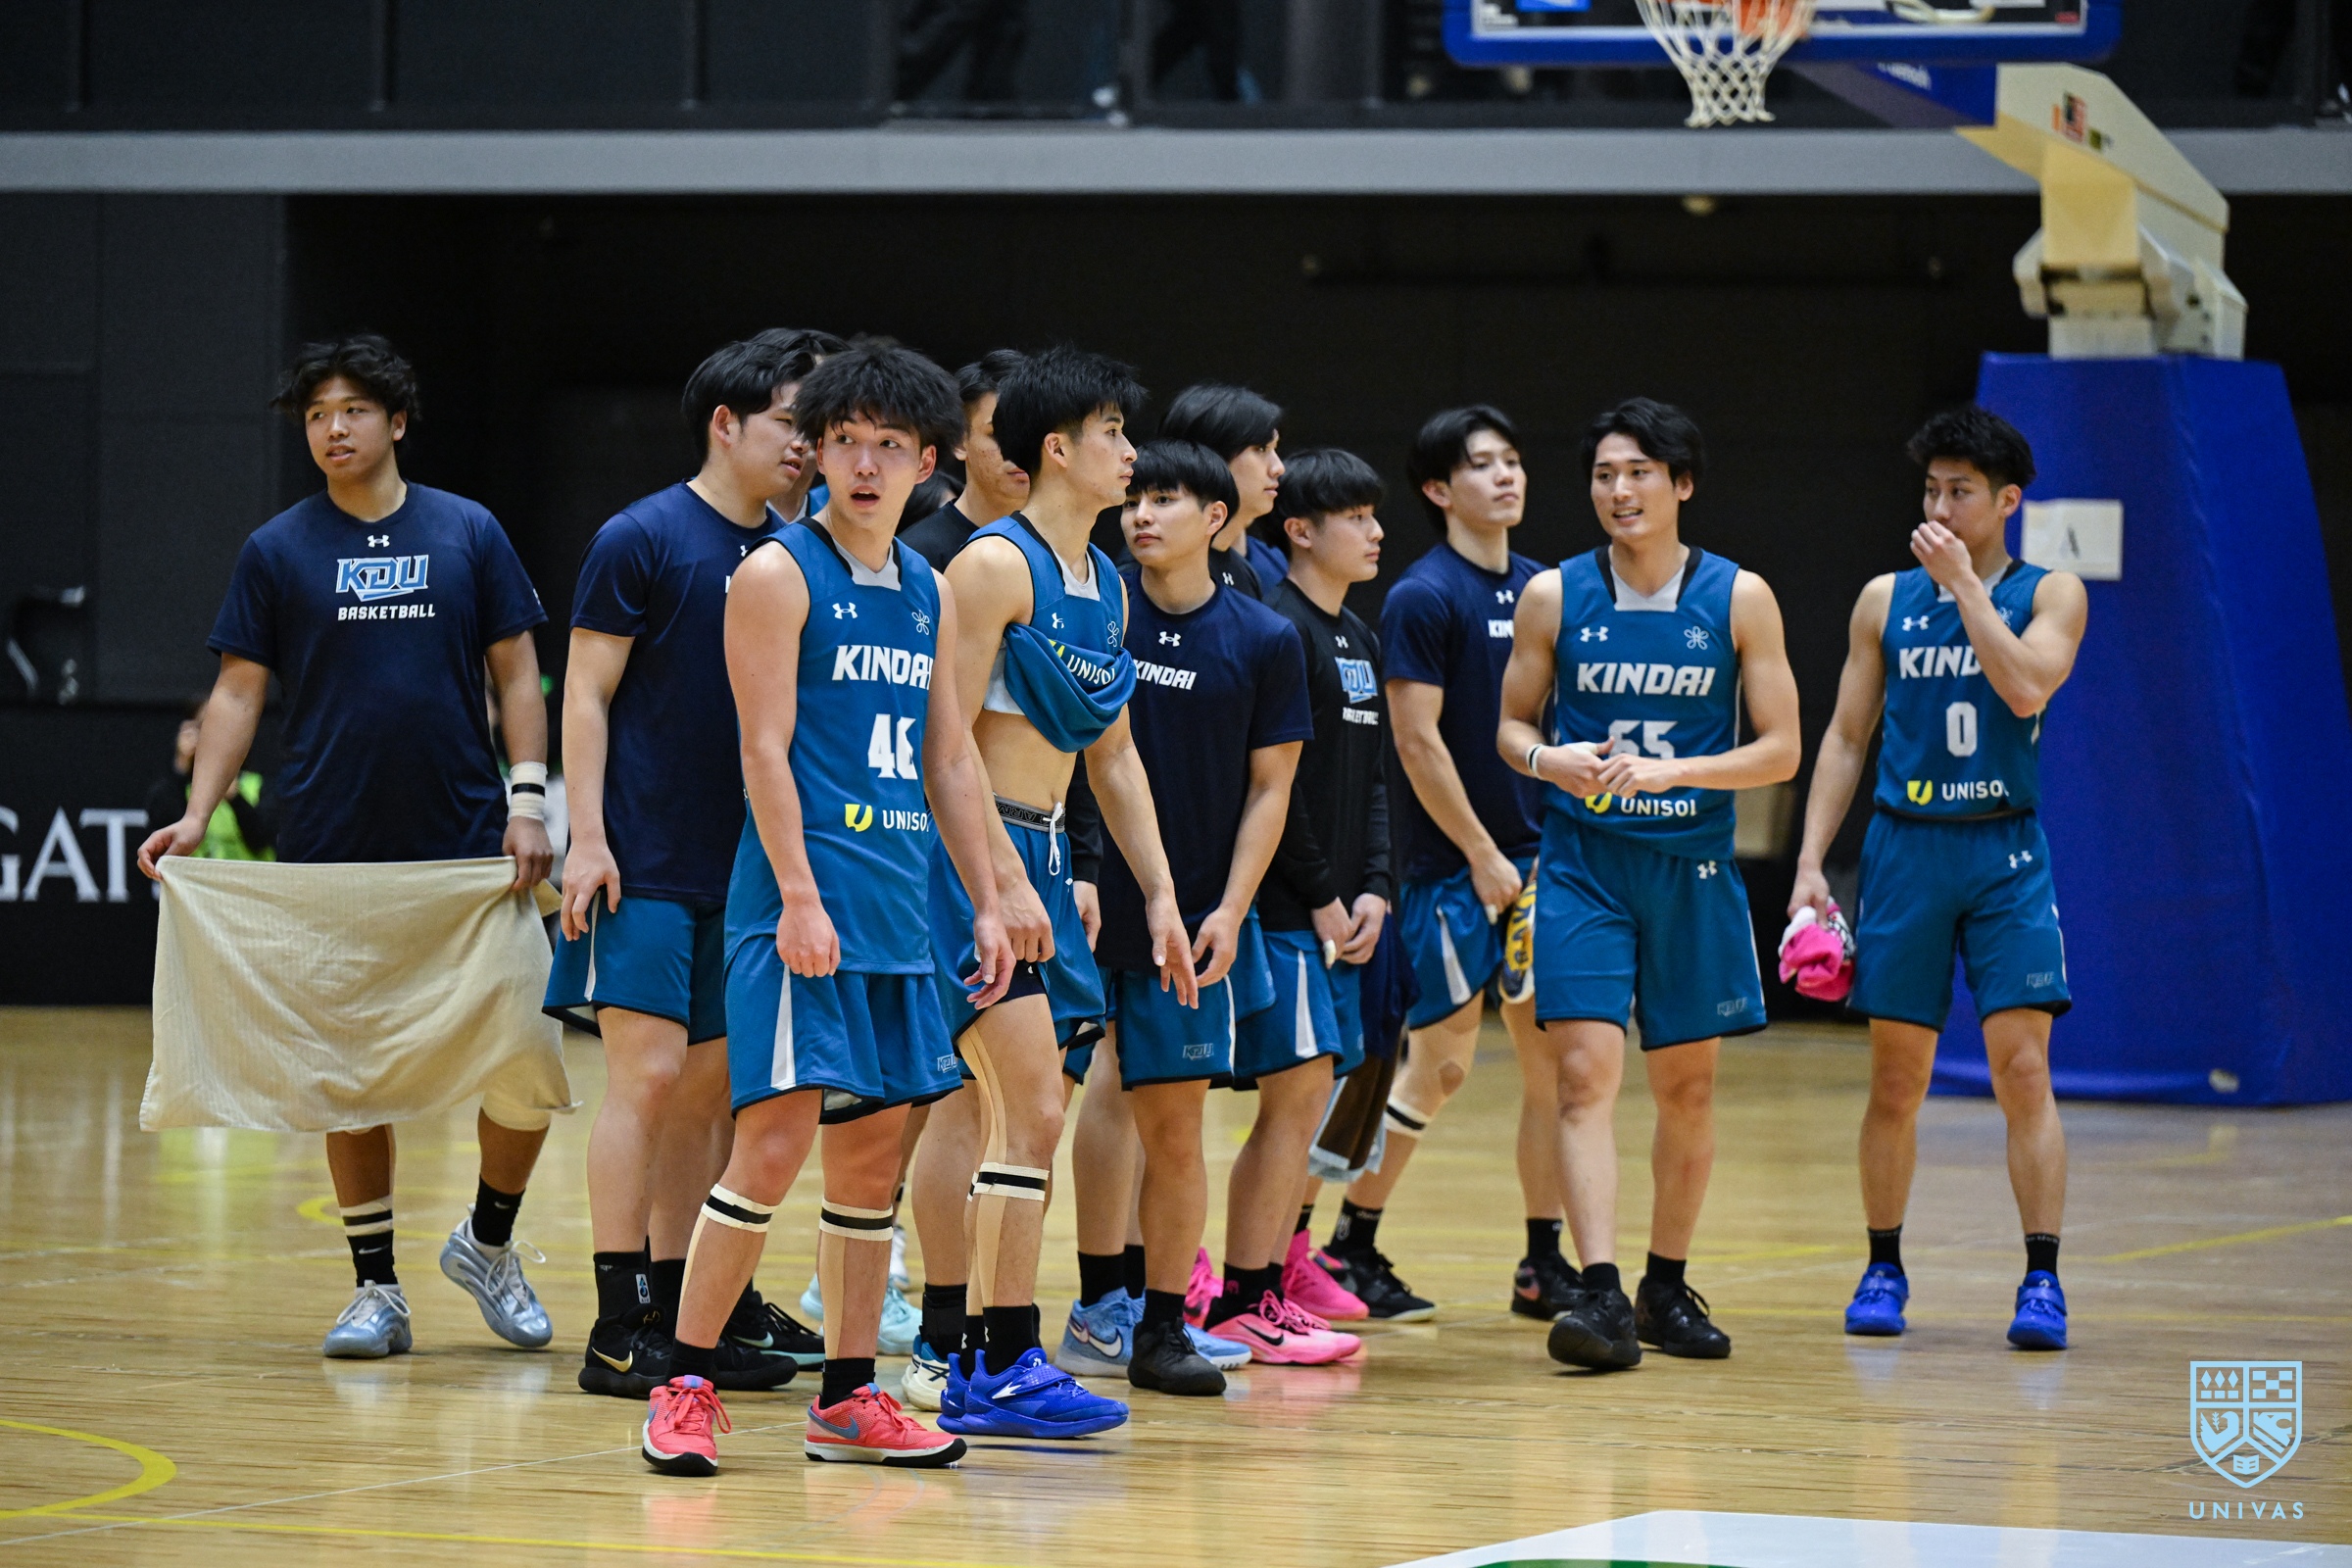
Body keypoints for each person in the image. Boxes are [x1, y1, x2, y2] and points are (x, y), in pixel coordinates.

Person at [137, 333, 559, 1359]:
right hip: (331, 850)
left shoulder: (468, 531)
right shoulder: (277, 548)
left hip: (469, 850)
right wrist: (197, 811)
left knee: (526, 1057)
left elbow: (517, 673)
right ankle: (376, 1290)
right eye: (318, 415)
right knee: (349, 1076)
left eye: (354, 410)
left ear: (397, 421)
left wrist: (529, 800)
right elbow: (239, 691)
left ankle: (487, 1244)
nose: (334, 429)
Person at [639, 338, 1009, 1476]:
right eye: (844, 441)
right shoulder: (776, 575)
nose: (864, 463)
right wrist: (798, 895)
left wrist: (988, 900)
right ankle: (683, 1382)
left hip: (897, 910)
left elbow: (950, 758)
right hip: (800, 908)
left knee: (869, 1163)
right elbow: (763, 750)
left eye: (888, 445)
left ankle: (848, 1397)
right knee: (772, 1142)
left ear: (927, 463)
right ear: (818, 452)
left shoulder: (931, 589)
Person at [545, 333, 829, 1399]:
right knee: (649, 1079)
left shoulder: (795, 557)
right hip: (645, 860)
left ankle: (682, 1312)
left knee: (712, 1094)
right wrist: (588, 835)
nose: (806, 448)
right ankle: (617, 1324)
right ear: (726, 423)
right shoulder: (642, 537)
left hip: (746, 868)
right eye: (791, 424)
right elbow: (585, 694)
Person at [1496, 397, 1801, 1371]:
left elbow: (1782, 750)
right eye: (1603, 475)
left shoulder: (1739, 596)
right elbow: (1510, 726)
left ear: (1682, 484)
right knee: (1583, 1074)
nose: (1619, 491)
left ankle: (1666, 1284)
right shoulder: (1554, 594)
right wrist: (1548, 760)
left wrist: (1680, 773)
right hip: (1583, 865)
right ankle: (1600, 1294)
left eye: (1638, 473)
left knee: (1688, 1088)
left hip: (1691, 868)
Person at [923, 346, 1195, 1437]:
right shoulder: (994, 567)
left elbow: (1113, 760)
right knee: (1027, 1107)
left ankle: (969, 1350)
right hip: (968, 855)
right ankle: (995, 1355)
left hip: (1037, 852)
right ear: (1056, 448)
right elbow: (941, 740)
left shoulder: (1107, 585)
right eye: (1114, 433)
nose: (1131, 453)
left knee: (1001, 1110)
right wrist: (996, 877)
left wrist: (1158, 894)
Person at [1789, 406, 2085, 1351]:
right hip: (1906, 849)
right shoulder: (1883, 599)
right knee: (1895, 1077)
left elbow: (2027, 687)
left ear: (2007, 501)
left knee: (2023, 1069)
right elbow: (1846, 737)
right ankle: (1883, 1264)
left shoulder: (2052, 592)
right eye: (1930, 491)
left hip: (2002, 850)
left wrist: (1965, 589)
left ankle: (2042, 1279)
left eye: (1960, 492)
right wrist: (1810, 864)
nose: (1940, 509)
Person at [1321, 405, 1564, 1324]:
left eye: (1513, 460)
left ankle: (1543, 1261)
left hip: (1540, 859)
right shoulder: (1424, 596)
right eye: (1482, 464)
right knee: (1441, 1065)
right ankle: (1347, 1242)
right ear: (1437, 488)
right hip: (1450, 867)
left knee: (1555, 1065)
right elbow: (1417, 742)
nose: (1506, 476)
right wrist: (1481, 853)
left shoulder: (1542, 588)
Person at [1256, 450, 1396, 1323]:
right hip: (1289, 913)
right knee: (1290, 1103)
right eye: (1356, 517)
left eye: (1374, 515)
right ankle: (1248, 1287)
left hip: (1346, 912)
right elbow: (1280, 790)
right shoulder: (1282, 630)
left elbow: (1373, 776)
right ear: (1301, 531)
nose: (1376, 532)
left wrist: (1375, 882)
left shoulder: (1360, 637)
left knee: (1314, 1103)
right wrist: (1318, 892)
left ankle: (1278, 1273)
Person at [902, 350, 1030, 573]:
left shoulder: (1067, 548)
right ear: (960, 442)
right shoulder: (916, 557)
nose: (1020, 447)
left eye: (1033, 432)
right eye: (998, 434)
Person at [1158, 382, 1286, 597]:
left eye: (1275, 449)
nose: (1279, 468)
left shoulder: (1264, 567)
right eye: (1261, 449)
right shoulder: (1156, 566)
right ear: (1213, 456)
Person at [145, 696, 275, 862]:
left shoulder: (258, 786)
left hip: (248, 879)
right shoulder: (177, 788)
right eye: (205, 726)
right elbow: (163, 836)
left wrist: (234, 797)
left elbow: (262, 840)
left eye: (223, 726)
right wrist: (180, 766)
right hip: (195, 879)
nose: (214, 735)